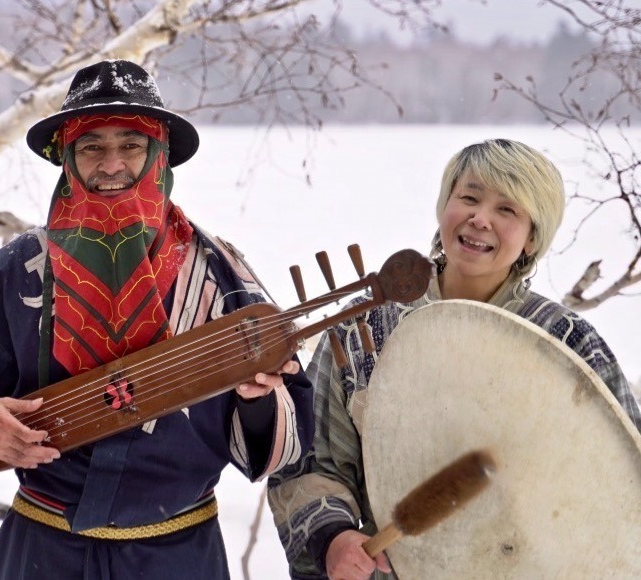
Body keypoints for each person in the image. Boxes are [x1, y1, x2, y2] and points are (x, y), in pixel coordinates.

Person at [0, 59, 314, 580]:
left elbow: (284, 429)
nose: (111, 165)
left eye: (131, 144)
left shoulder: (218, 272)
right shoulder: (16, 270)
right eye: (91, 146)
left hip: (178, 557)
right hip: (43, 551)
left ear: (160, 153)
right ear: (67, 160)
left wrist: (258, 401)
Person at [267, 138, 641, 580]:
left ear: (532, 237)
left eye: (508, 209)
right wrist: (333, 537)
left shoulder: (566, 344)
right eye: (468, 197)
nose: (480, 219)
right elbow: (309, 459)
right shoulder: (365, 328)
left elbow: (619, 482)